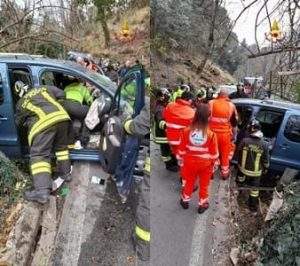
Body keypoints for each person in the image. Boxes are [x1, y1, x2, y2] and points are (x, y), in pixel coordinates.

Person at [14, 81, 71, 204]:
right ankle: (66, 174)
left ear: (19, 93)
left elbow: (18, 123)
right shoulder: (43, 88)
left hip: (44, 124)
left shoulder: (21, 102)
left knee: (39, 155)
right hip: (62, 117)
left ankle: (41, 192)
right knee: (62, 149)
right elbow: (62, 93)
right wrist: (57, 105)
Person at [123, 97, 150, 262]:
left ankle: (143, 251)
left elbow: (138, 127)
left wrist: (125, 124)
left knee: (147, 207)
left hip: (152, 168)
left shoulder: (151, 103)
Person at [178, 104, 218, 213]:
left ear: (195, 115)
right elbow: (214, 154)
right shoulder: (211, 135)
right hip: (205, 165)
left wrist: (180, 160)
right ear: (208, 117)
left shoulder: (186, 131)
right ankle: (202, 204)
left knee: (189, 182)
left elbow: (181, 150)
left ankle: (185, 201)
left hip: (189, 163)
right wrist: (214, 165)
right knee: (204, 185)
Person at [236, 119, 270, 212]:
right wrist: (266, 168)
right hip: (256, 173)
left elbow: (238, 151)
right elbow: (266, 160)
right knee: (254, 190)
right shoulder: (265, 144)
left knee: (240, 179)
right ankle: (252, 206)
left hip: (242, 169)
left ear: (252, 129)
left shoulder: (244, 141)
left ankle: (239, 191)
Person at [209, 88, 238, 179]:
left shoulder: (211, 103)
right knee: (225, 154)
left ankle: (210, 173)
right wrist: (234, 135)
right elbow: (234, 124)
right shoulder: (231, 106)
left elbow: (205, 119)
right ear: (227, 95)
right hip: (225, 135)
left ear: (219, 94)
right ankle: (225, 173)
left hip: (212, 134)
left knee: (212, 153)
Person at [62, 78, 94, 148]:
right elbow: (89, 100)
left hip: (64, 105)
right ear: (79, 82)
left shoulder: (67, 87)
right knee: (90, 113)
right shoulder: (82, 87)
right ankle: (83, 139)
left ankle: (66, 139)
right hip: (76, 106)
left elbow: (62, 95)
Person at [153, 88, 178, 172]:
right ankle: (169, 165)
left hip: (165, 134)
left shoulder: (163, 106)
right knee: (165, 151)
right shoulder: (160, 109)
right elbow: (161, 123)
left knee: (169, 149)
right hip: (162, 135)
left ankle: (173, 162)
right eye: (167, 96)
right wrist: (172, 125)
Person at [164, 91, 195, 157]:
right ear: (189, 100)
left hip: (170, 138)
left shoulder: (170, 106)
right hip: (182, 141)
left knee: (174, 153)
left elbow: (165, 117)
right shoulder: (191, 112)